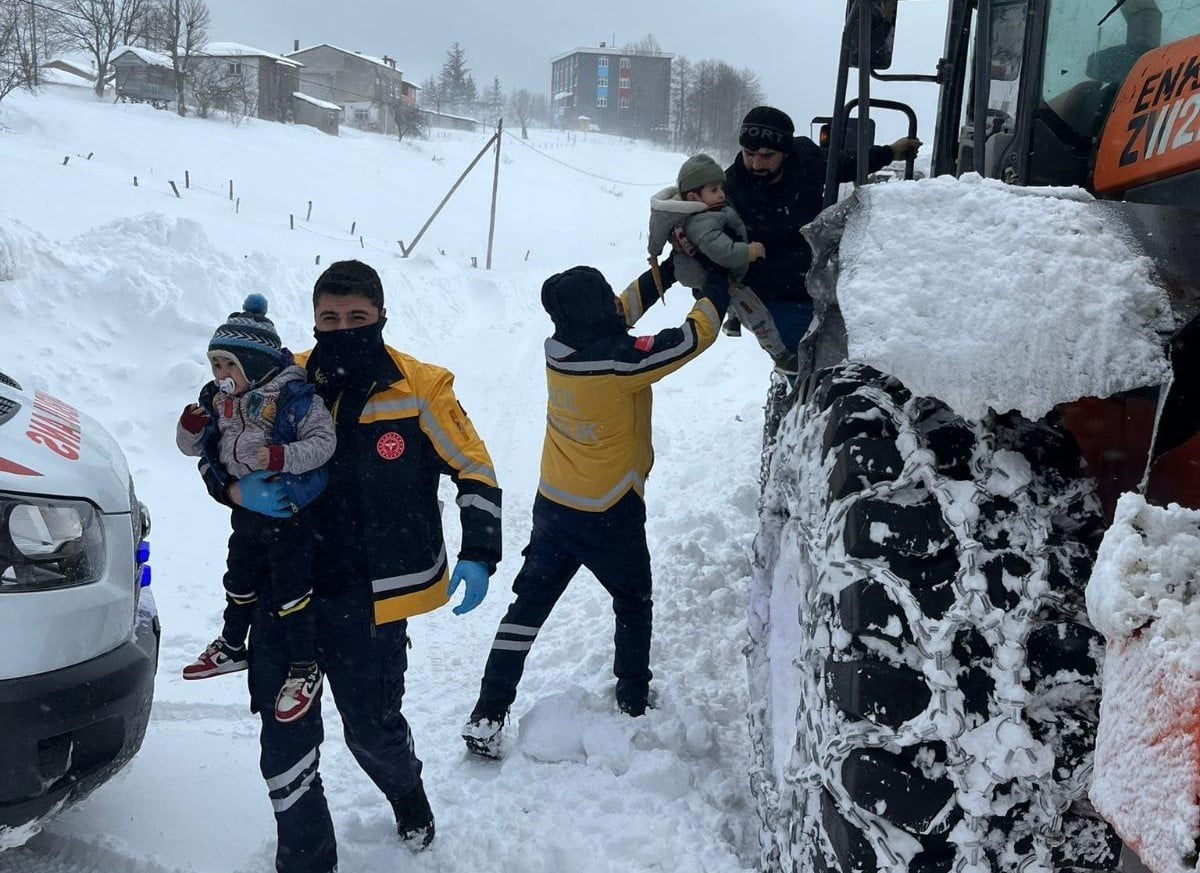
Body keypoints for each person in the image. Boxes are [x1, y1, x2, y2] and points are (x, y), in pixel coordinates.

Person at [199, 260, 502, 873]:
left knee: (372, 730)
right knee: (284, 738)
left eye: (357, 317)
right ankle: (306, 860)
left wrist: (479, 551)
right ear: (313, 320)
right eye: (330, 318)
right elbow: (218, 450)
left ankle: (407, 793)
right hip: (284, 586)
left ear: (381, 315)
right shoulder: (282, 380)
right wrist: (234, 494)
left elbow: (473, 467)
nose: (343, 327)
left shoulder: (420, 385)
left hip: (371, 595)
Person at [462, 260, 728, 759]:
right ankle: (631, 699)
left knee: (527, 609)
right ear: (594, 311)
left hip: (555, 505)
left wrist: (669, 270)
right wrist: (716, 282)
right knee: (632, 603)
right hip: (610, 511)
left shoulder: (560, 348)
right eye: (606, 295)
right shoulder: (620, 363)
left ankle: (487, 714)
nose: (615, 301)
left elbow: (619, 311)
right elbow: (695, 337)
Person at [176, 294, 335, 725]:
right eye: (216, 365)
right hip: (245, 511)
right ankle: (231, 645)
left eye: (230, 365)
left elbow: (323, 444)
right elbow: (195, 450)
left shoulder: (295, 397)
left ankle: (305, 666)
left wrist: (280, 457)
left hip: (288, 512)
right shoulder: (217, 401)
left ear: (256, 363)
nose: (221, 375)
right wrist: (188, 430)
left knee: (290, 590)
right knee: (238, 577)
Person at [723, 105, 922, 370]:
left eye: (767, 156)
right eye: (749, 154)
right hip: (772, 293)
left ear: (785, 152)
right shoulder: (730, 187)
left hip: (819, 281)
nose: (756, 164)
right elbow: (715, 246)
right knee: (806, 366)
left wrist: (891, 152)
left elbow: (847, 163)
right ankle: (799, 400)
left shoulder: (806, 159)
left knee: (850, 355)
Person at [649, 154, 794, 365]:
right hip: (721, 279)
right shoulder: (700, 223)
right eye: (714, 190)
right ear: (693, 198)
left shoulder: (708, 210)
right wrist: (750, 251)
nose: (721, 194)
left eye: (721, 188)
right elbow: (723, 252)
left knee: (734, 298)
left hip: (719, 276)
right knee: (758, 315)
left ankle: (732, 318)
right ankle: (781, 355)